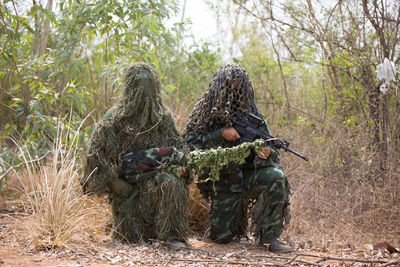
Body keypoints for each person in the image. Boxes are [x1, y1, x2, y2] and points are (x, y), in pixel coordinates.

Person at [184, 64, 293, 253]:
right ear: (219, 86)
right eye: (229, 85)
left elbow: (269, 145)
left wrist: (266, 153)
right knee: (221, 239)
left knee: (277, 177)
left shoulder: (253, 117)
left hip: (249, 177)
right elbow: (189, 142)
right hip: (222, 181)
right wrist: (220, 133)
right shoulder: (206, 111)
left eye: (238, 86)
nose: (234, 91)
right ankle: (226, 225)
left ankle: (269, 238)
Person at [83, 63, 190, 245]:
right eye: (139, 84)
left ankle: (172, 237)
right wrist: (115, 183)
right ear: (130, 87)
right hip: (129, 195)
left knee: (172, 181)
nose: (144, 90)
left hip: (158, 187)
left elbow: (178, 155)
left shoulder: (163, 119)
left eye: (149, 83)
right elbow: (95, 159)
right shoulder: (114, 119)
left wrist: (181, 170)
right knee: (131, 238)